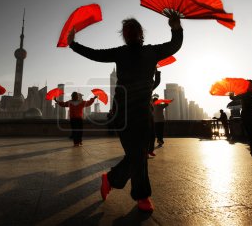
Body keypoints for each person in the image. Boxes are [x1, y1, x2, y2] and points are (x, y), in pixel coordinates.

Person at [67, 15, 183, 212]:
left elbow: (174, 45)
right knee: (138, 154)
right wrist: (73, 44)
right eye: (126, 29)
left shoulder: (151, 52)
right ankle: (141, 196)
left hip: (144, 113)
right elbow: (95, 54)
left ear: (140, 33)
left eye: (132, 28)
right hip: (124, 113)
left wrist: (176, 27)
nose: (130, 32)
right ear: (124, 36)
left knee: (139, 154)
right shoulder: (121, 53)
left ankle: (113, 180)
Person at [148, 70, 161, 157]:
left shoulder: (148, 88)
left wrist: (156, 72)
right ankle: (145, 152)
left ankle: (150, 151)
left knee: (152, 135)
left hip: (149, 114)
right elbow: (156, 82)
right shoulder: (139, 89)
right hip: (142, 114)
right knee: (145, 135)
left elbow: (156, 82)